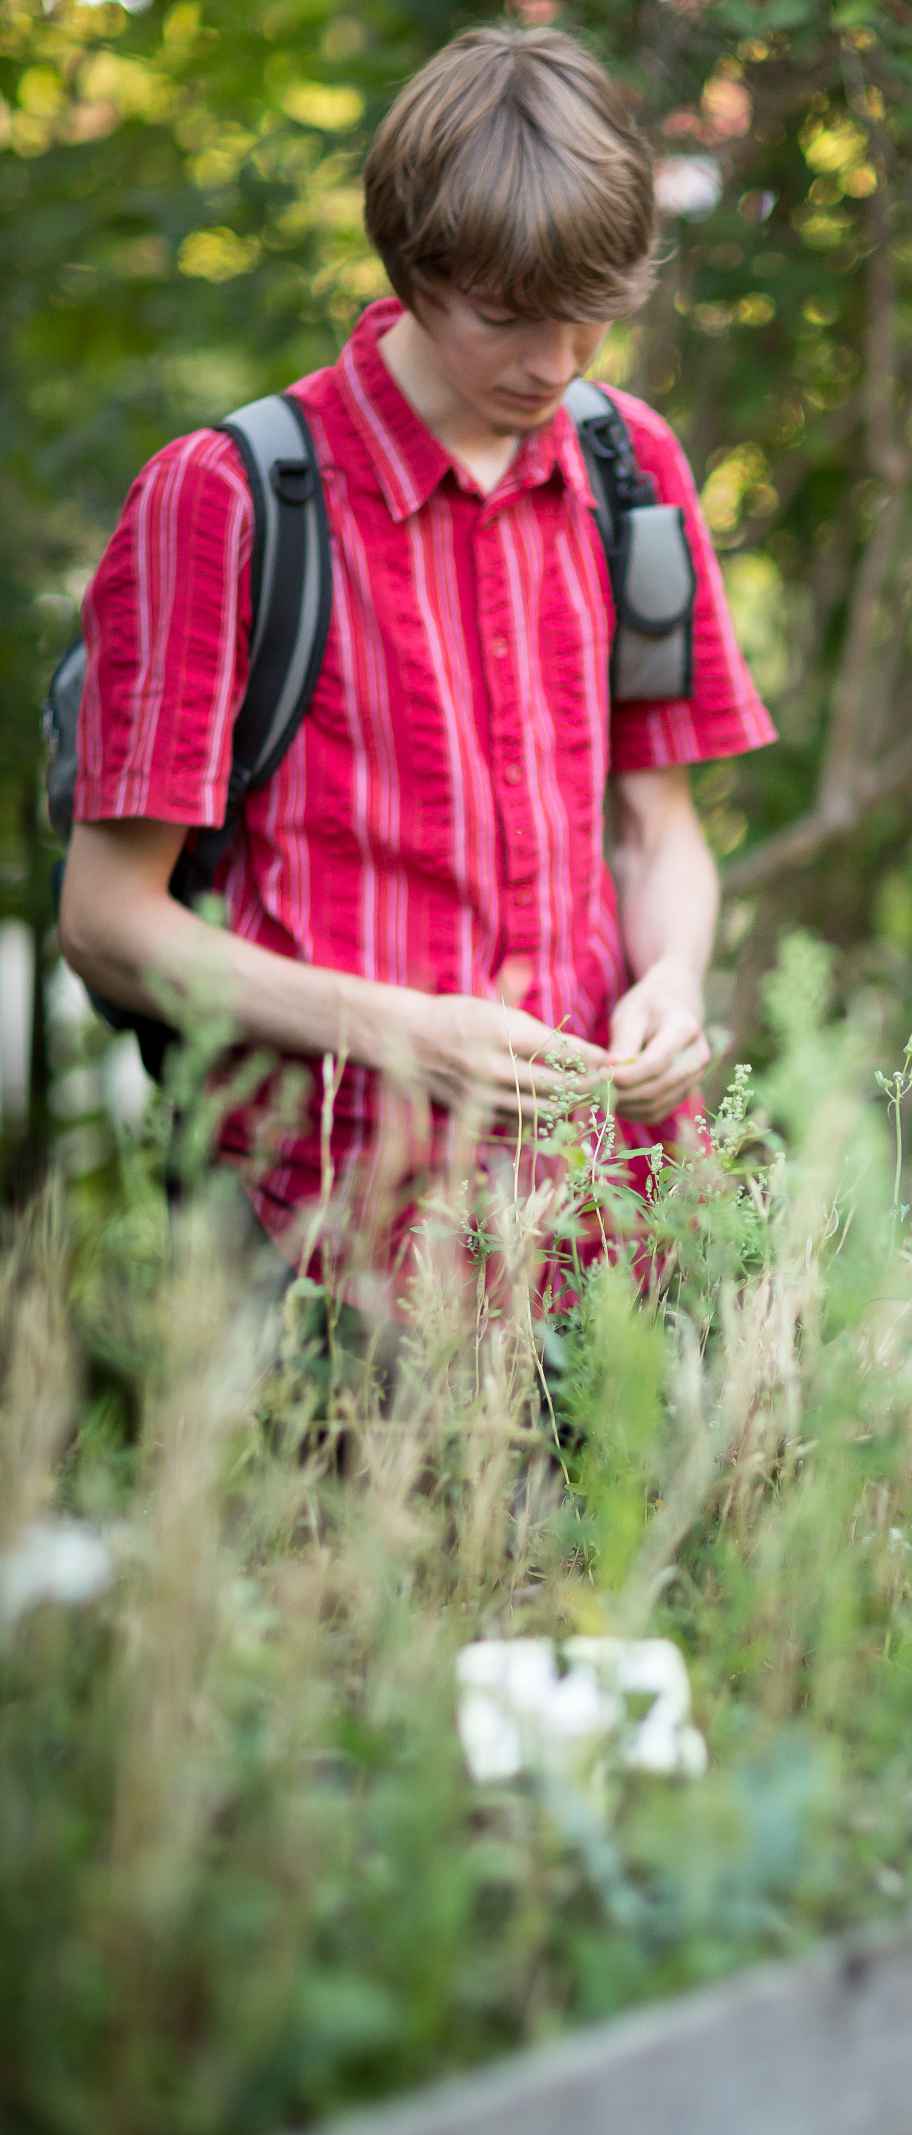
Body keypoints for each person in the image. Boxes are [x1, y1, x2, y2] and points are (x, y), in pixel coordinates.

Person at [60, 24, 774, 1313]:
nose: (554, 362)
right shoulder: (226, 499)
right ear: (414, 266)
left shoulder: (631, 471)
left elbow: (657, 831)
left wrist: (672, 979)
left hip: (609, 1231)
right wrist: (404, 1034)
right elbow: (108, 924)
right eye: (505, 318)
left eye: (590, 317)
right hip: (321, 1239)